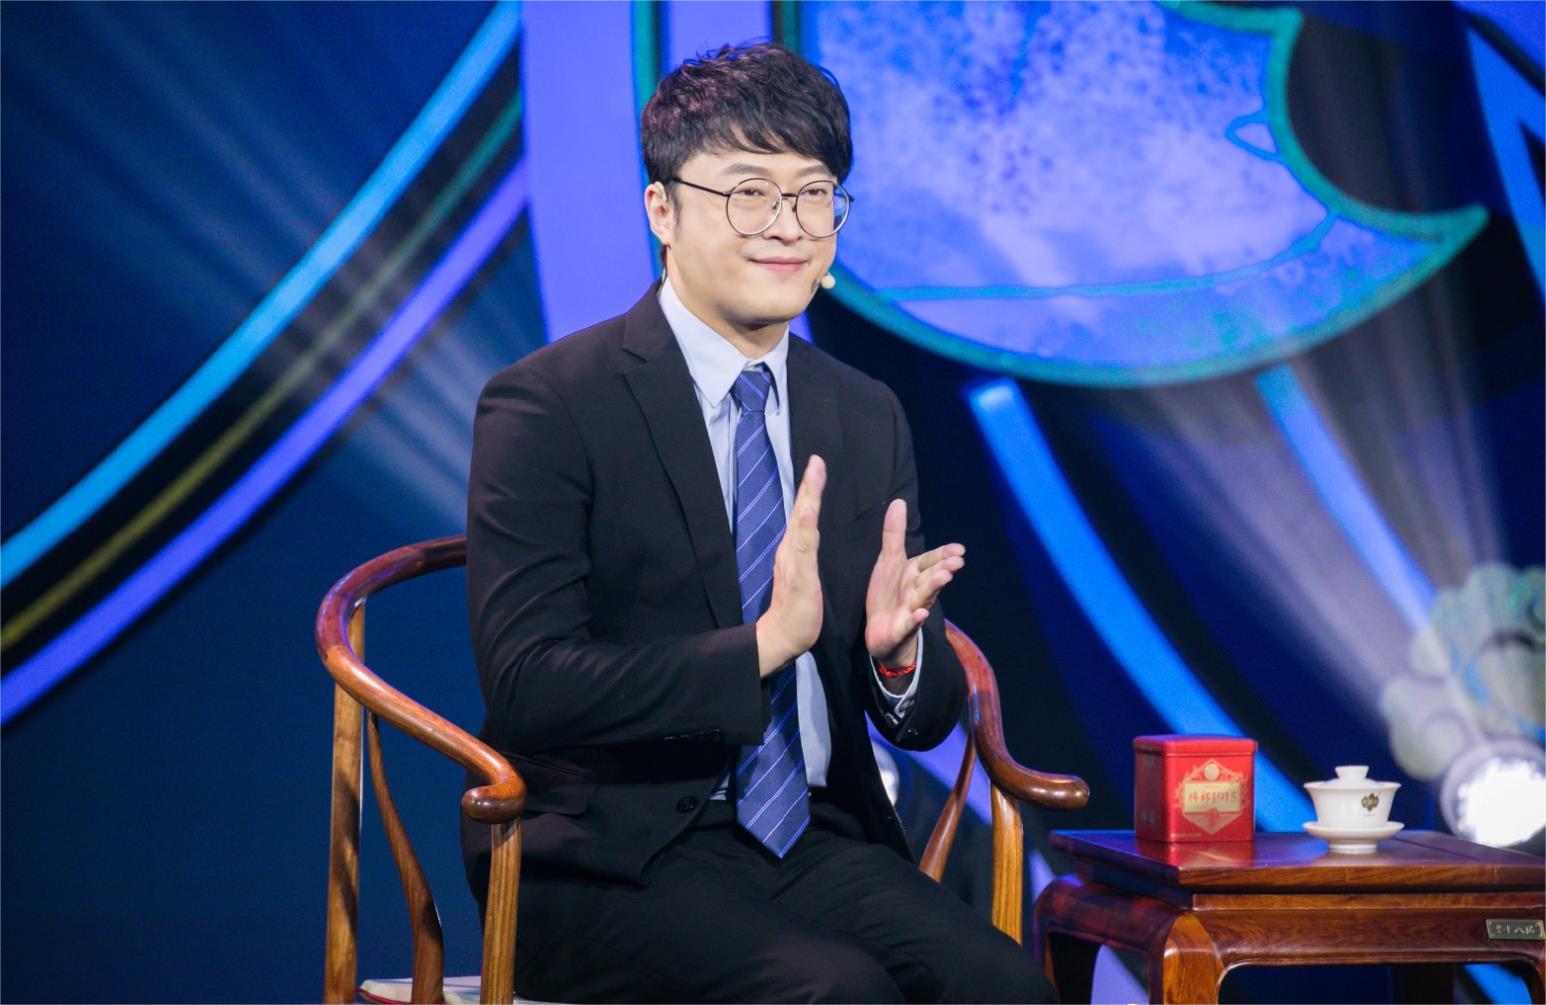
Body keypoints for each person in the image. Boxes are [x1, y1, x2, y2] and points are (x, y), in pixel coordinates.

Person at [462, 41, 1056, 1004]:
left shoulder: (862, 411)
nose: (787, 227)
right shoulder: (549, 403)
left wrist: (897, 658)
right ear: (662, 210)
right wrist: (762, 649)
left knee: (1002, 983)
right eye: (749, 193)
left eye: (813, 194)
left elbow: (923, 719)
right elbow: (529, 684)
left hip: (813, 836)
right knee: (835, 991)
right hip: (608, 853)